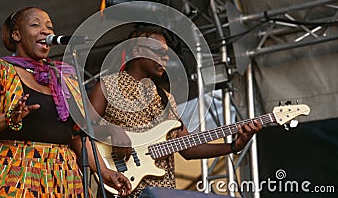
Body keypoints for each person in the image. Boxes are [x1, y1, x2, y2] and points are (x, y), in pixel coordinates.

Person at [0, 7, 131, 197]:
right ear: (17, 35)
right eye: (35, 25)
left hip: (61, 179)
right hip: (11, 173)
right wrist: (9, 118)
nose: (46, 31)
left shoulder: (66, 76)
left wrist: (105, 171)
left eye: (49, 27)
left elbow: (77, 134)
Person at [89, 27, 263, 197]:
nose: (165, 58)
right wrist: (112, 130)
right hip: (123, 188)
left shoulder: (166, 98)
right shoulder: (107, 86)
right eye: (159, 52)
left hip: (163, 190)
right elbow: (79, 130)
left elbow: (187, 148)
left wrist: (233, 146)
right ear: (137, 51)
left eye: (167, 54)